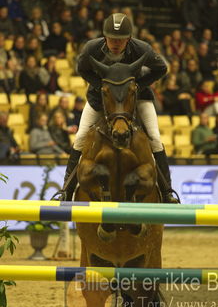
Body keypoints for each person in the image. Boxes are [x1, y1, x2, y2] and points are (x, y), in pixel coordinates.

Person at [58, 13, 180, 203]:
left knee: (155, 137)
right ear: (104, 36)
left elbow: (161, 68)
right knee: (81, 136)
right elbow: (82, 69)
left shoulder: (141, 49)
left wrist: (138, 86)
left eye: (120, 40)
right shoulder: (92, 48)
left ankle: (167, 192)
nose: (115, 43)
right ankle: (66, 190)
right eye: (112, 38)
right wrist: (102, 87)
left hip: (135, 99)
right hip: (103, 99)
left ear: (129, 38)